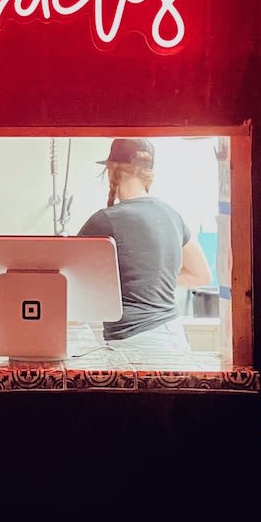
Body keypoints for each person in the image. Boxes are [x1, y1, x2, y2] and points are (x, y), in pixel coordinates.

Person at [77, 137, 212, 357]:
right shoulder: (172, 215)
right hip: (175, 339)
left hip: (135, 344)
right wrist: (151, 281)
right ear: (147, 174)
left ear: (113, 172)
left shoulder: (104, 221)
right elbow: (201, 275)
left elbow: (69, 280)